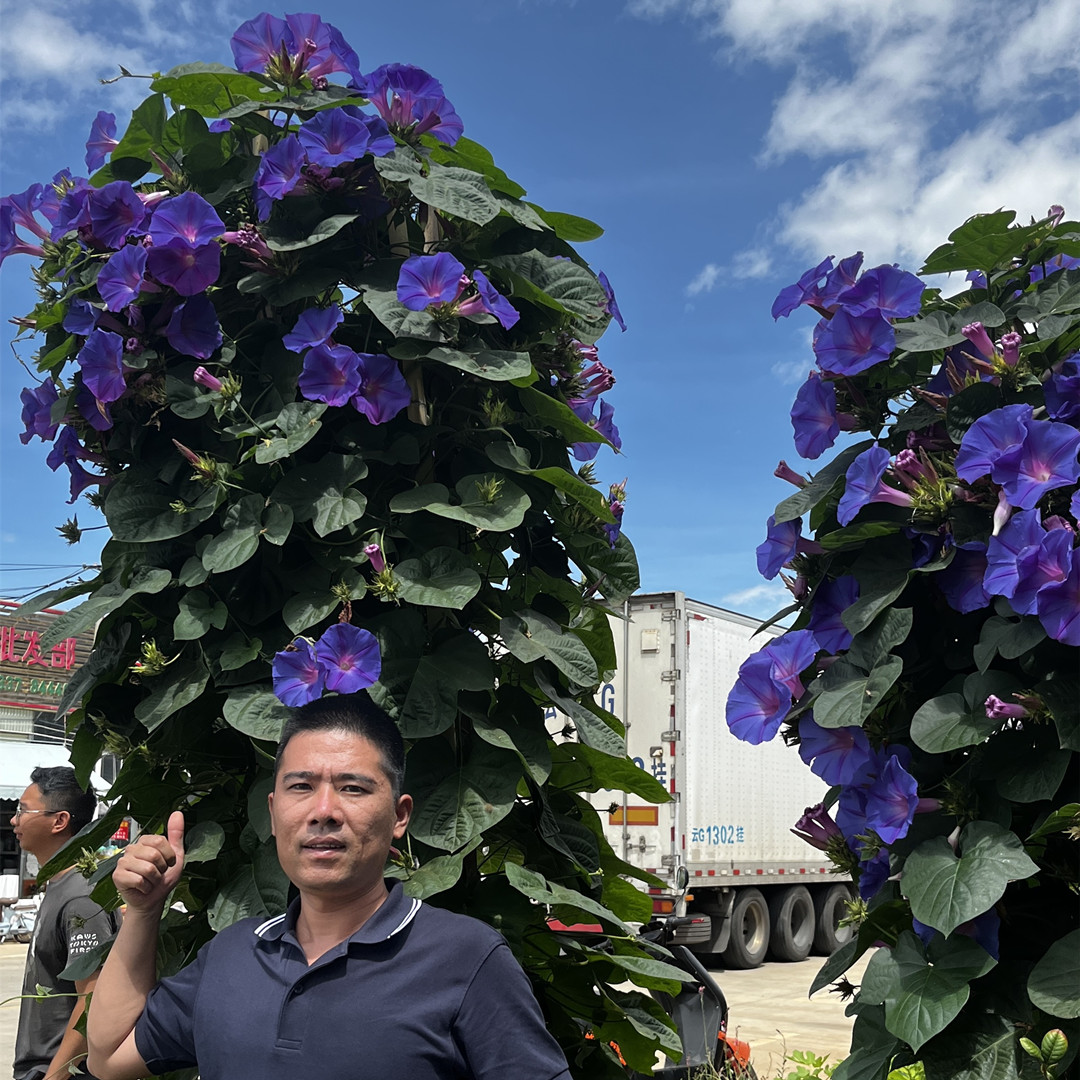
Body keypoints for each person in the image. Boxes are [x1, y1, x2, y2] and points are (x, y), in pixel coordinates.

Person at [87, 692, 573, 1080]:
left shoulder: (466, 959)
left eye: (353, 787)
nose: (324, 810)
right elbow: (108, 1058)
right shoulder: (231, 954)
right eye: (301, 787)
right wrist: (144, 913)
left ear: (400, 816)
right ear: (274, 812)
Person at [11, 767, 117, 1080]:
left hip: (63, 1071)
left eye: (23, 810)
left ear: (60, 820)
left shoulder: (80, 897)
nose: (14, 820)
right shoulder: (60, 885)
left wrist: (55, 1075)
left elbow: (93, 999)